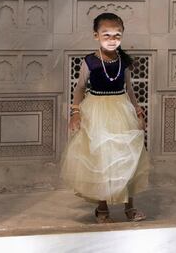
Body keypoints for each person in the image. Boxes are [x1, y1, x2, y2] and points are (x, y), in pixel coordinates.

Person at [60, 12, 149, 223]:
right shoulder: (90, 61)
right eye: (106, 34)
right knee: (101, 158)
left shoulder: (123, 61)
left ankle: (130, 207)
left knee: (127, 157)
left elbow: (130, 89)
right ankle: (102, 208)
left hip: (121, 109)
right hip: (97, 111)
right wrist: (75, 112)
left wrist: (138, 111)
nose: (112, 39)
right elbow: (80, 88)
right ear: (96, 36)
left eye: (117, 35)